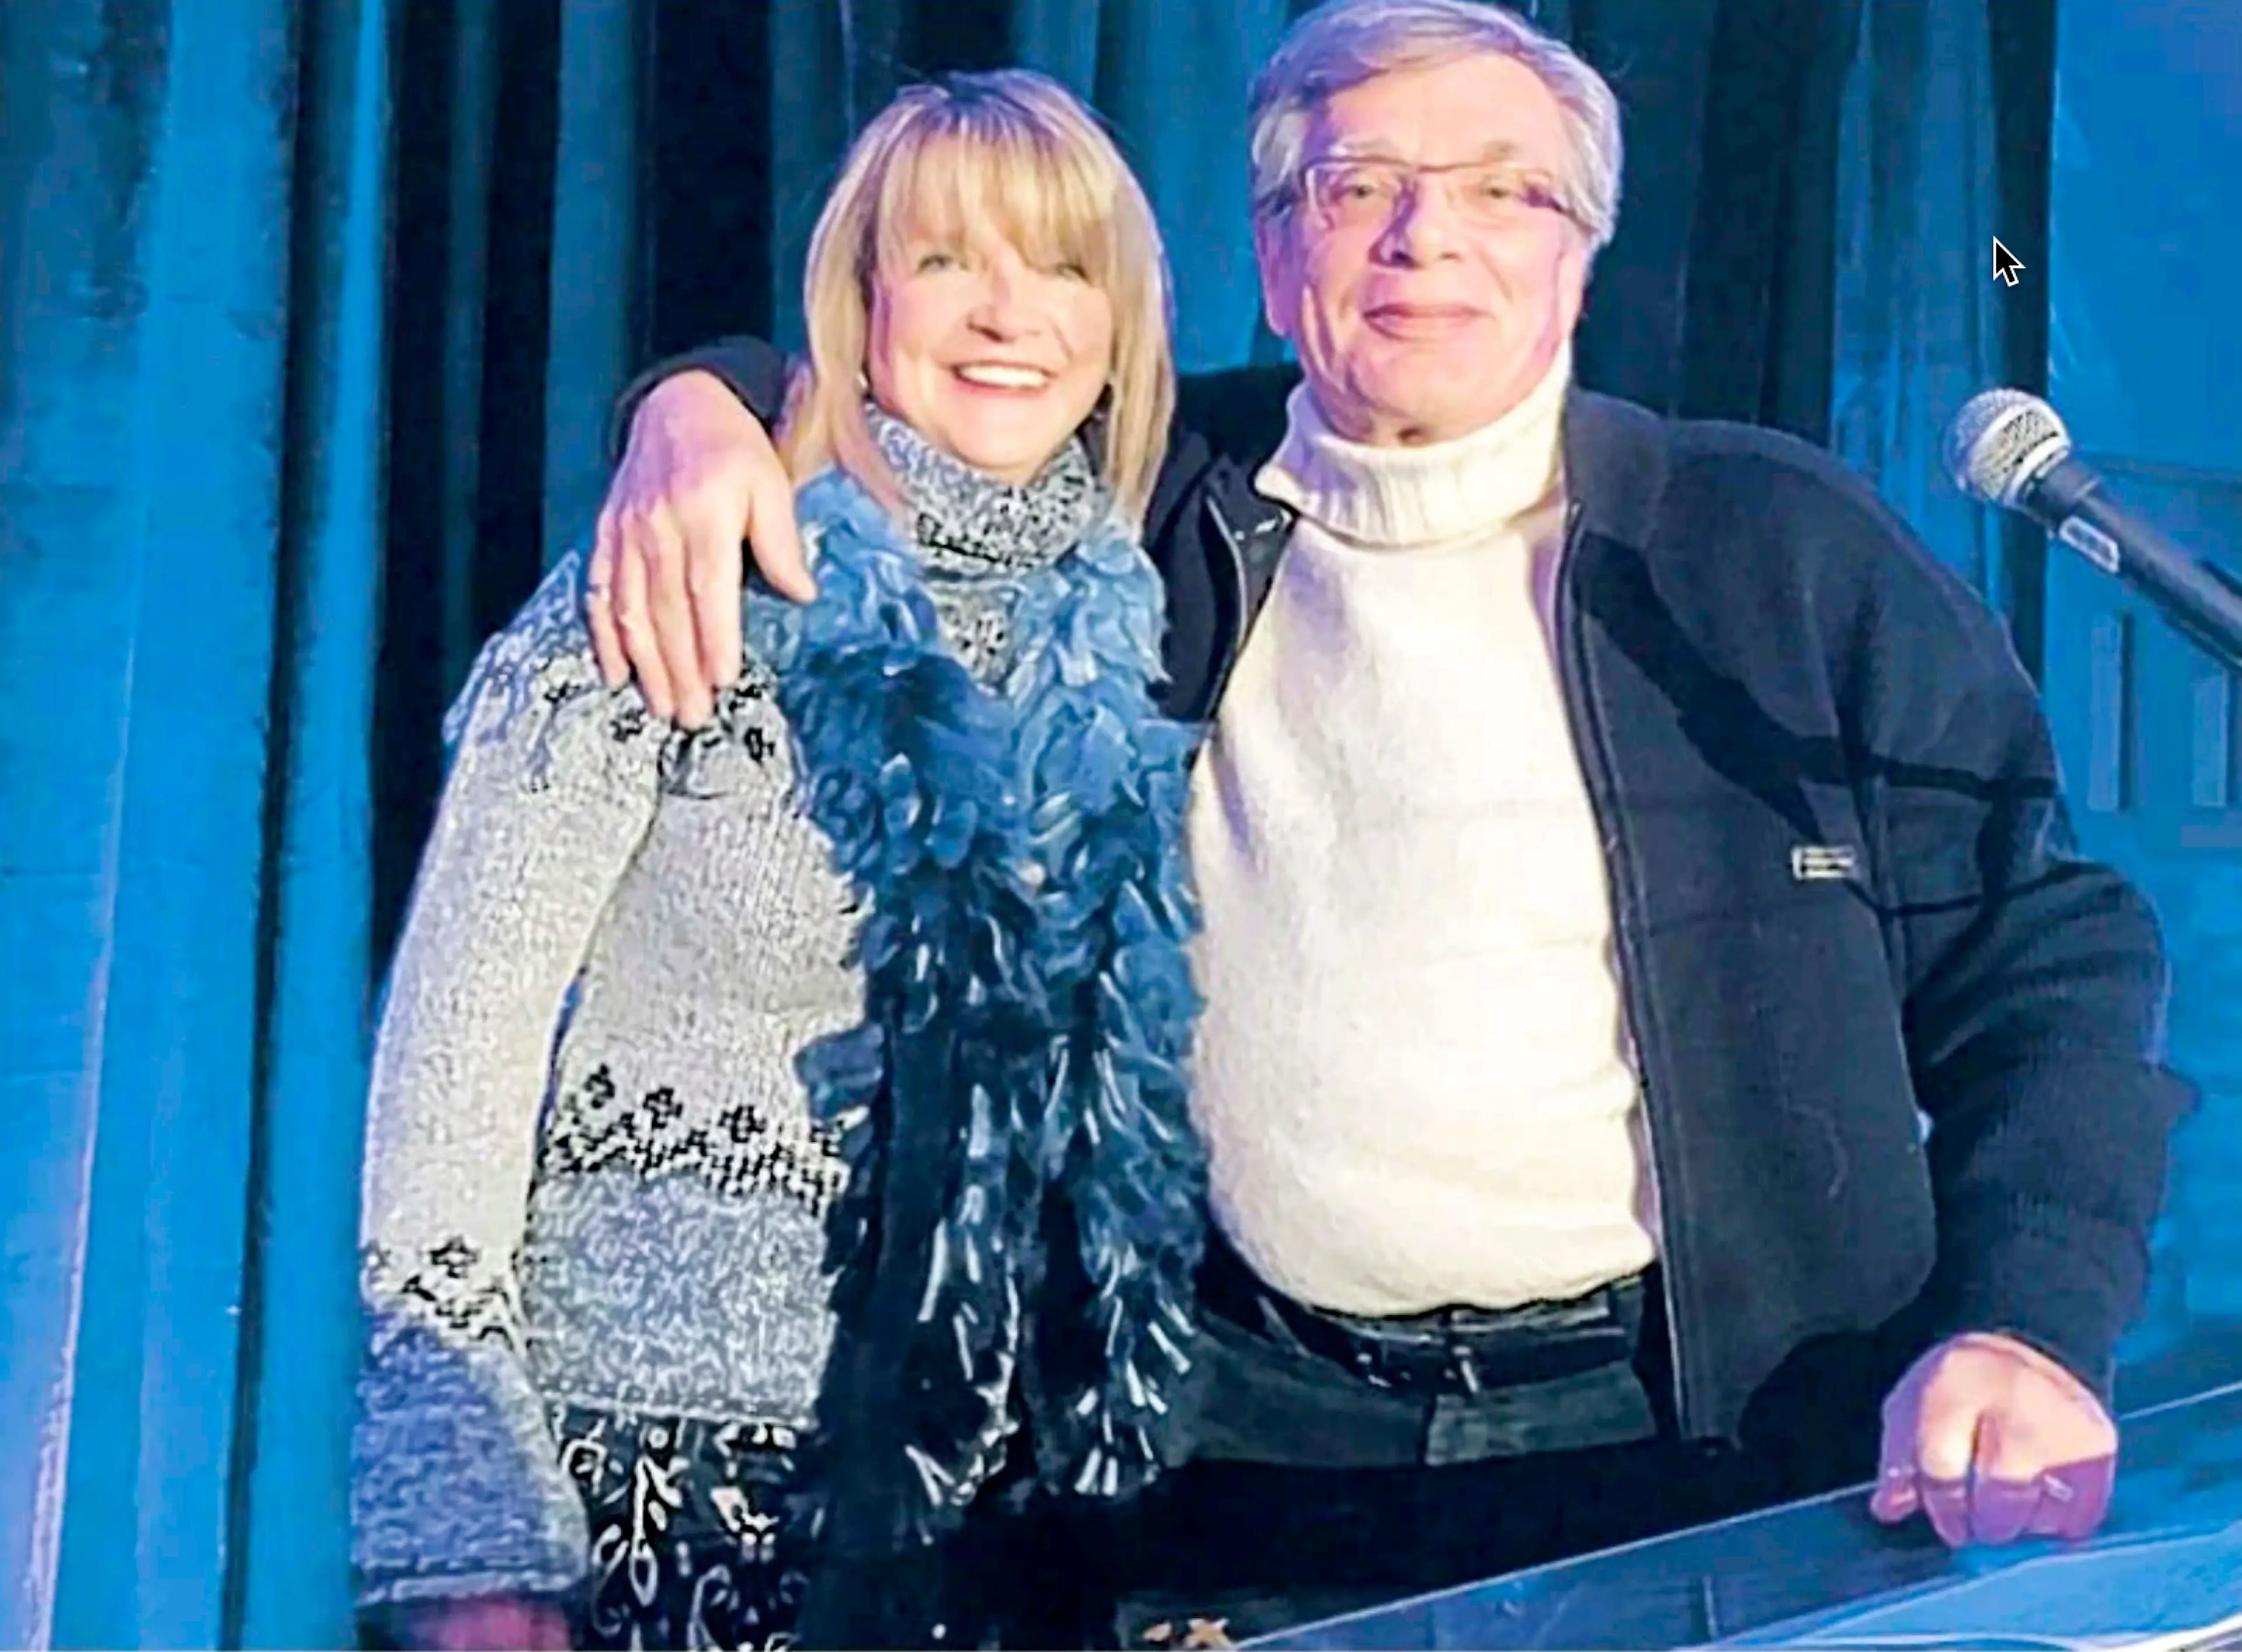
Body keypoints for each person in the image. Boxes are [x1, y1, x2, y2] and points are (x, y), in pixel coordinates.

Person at [587, 0, 2192, 1641]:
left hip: (1698, 1454)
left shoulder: (1774, 548)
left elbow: (2047, 969)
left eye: (1504, 191)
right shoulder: (1139, 502)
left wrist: (2029, 1321)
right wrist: (697, 404)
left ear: (1583, 256)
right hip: (1239, 1461)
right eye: (1359, 186)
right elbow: (906, 395)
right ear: (1276, 250)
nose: (1429, 238)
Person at [352, 69, 1212, 1652]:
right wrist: (463, 1516)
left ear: (1123, 319)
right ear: (864, 300)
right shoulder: (684, 571)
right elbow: (452, 1052)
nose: (1009, 313)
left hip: (1020, 1513)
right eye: (949, 259)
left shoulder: (1142, 615)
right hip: (673, 1484)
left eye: (1062, 265)